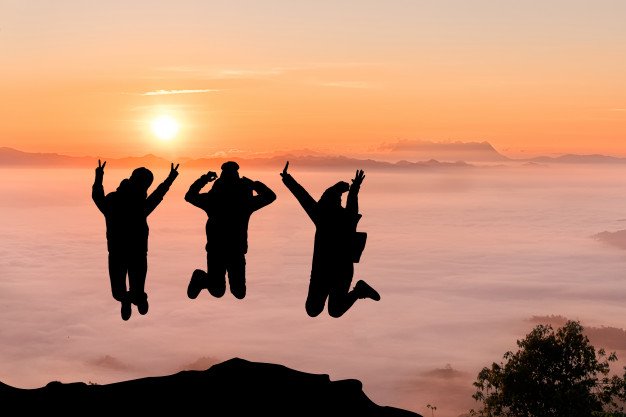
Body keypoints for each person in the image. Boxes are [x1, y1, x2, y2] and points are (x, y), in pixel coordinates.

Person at [280, 161, 380, 318]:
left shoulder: (325, 216)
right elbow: (303, 197)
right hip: (327, 270)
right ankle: (359, 291)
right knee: (316, 310)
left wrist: (287, 179)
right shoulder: (330, 216)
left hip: (335, 270)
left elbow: (303, 197)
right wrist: (287, 179)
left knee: (330, 310)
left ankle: (359, 290)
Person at [92, 160, 179, 320]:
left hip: (132, 254)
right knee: (119, 293)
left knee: (133, 291)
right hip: (123, 254)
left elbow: (97, 197)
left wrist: (99, 176)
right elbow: (157, 195)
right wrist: (170, 179)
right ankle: (128, 300)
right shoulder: (133, 204)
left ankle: (137, 299)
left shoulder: (124, 202)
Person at [185, 161, 276, 300]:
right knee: (219, 291)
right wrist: (254, 184)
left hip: (233, 251)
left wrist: (204, 179)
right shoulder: (242, 202)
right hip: (219, 251)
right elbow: (270, 196)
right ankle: (200, 277)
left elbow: (190, 196)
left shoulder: (216, 199)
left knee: (237, 292)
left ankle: (202, 278)